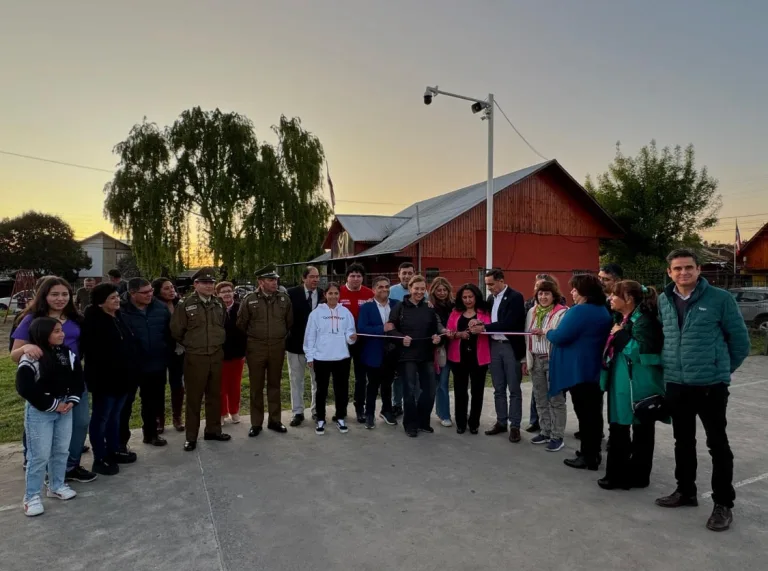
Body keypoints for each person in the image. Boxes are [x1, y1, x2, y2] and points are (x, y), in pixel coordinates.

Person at [655, 249, 750, 532]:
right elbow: (666, 336)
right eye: (677, 269)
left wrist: (720, 370)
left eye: (688, 267)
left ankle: (723, 504)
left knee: (717, 444)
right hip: (676, 383)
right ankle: (686, 491)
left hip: (711, 386)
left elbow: (740, 342)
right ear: (669, 273)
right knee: (682, 441)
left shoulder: (720, 299)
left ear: (698, 270)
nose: (683, 273)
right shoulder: (664, 299)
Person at [11, 277, 96, 484]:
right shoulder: (32, 319)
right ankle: (33, 458)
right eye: (54, 294)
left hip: (74, 379)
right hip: (45, 382)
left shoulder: (76, 318)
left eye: (64, 294)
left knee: (80, 422)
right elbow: (15, 353)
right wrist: (25, 349)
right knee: (41, 424)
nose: (60, 299)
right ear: (44, 295)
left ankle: (70, 465)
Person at [598, 280, 665, 491]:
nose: (610, 299)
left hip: (635, 383)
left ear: (628, 298)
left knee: (638, 427)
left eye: (614, 295)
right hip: (622, 379)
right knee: (624, 426)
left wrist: (619, 335)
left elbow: (646, 353)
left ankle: (631, 475)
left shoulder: (644, 321)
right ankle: (627, 473)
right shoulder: (622, 317)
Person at [16, 317, 83, 516]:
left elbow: (77, 379)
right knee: (39, 455)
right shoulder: (32, 357)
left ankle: (56, 485)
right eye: (56, 331)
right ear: (43, 334)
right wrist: (52, 405)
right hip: (41, 411)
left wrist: (72, 400)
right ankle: (31, 496)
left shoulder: (67, 353)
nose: (61, 334)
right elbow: (25, 387)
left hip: (65, 409)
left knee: (61, 450)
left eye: (61, 330)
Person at [547, 274, 613, 470]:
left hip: (580, 370)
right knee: (593, 414)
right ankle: (591, 452)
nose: (572, 292)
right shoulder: (601, 310)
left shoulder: (580, 311)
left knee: (586, 415)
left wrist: (549, 332)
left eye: (575, 289)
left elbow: (560, 336)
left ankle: (589, 456)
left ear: (584, 291)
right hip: (593, 369)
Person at [170, 268, 231, 451]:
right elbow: (176, 330)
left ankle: (213, 430)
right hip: (195, 357)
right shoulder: (185, 304)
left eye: (211, 283)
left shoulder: (218, 303)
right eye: (205, 283)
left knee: (215, 395)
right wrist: (192, 344)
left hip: (216, 355)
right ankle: (191, 436)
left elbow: (223, 324)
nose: (209, 286)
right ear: (196, 285)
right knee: (194, 399)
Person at [81, 284, 139, 475]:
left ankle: (114, 449)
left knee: (115, 416)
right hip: (105, 379)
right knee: (101, 417)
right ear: (100, 302)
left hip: (124, 377)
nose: (117, 300)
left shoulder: (118, 317)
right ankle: (100, 457)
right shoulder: (93, 322)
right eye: (112, 298)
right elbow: (94, 353)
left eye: (117, 297)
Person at [469, 270, 526, 443]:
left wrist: (484, 328)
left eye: (491, 284)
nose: (489, 288)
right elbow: (487, 319)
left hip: (510, 346)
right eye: (487, 284)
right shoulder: (491, 299)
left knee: (514, 388)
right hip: (494, 346)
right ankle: (501, 421)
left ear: (501, 281)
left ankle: (514, 425)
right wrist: (478, 323)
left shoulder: (515, 297)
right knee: (498, 387)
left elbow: (510, 323)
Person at [237, 268, 293, 437]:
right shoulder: (250, 300)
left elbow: (289, 322)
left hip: (277, 347)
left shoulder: (284, 299)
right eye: (270, 280)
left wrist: (280, 337)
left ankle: (275, 420)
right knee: (256, 386)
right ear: (260, 282)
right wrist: (255, 338)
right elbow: (241, 323)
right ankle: (256, 423)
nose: (275, 283)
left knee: (275, 385)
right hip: (256, 348)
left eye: (276, 280)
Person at [388, 275, 443, 437]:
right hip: (407, 356)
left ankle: (423, 421)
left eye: (422, 289)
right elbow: (390, 327)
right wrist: (400, 338)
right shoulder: (400, 307)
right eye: (416, 288)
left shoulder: (429, 307)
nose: (419, 292)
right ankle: (410, 424)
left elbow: (435, 328)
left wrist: (437, 337)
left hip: (425, 355)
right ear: (410, 289)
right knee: (410, 390)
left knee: (430, 390)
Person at [120, 278, 171, 448]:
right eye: (145, 292)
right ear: (132, 293)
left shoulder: (160, 308)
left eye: (151, 291)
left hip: (156, 364)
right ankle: (121, 441)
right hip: (129, 366)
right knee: (125, 405)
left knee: (152, 402)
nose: (150, 294)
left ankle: (151, 434)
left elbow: (168, 334)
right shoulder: (120, 310)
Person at [303, 282, 357, 434]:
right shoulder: (316, 314)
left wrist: (351, 338)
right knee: (321, 390)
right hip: (321, 358)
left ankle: (340, 417)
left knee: (341, 389)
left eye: (336, 293)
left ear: (339, 296)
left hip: (342, 358)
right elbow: (310, 336)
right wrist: (310, 356)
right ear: (325, 295)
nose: (333, 296)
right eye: (330, 293)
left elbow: (349, 332)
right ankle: (320, 418)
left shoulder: (346, 312)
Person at [524, 280, 568, 451]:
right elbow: (526, 336)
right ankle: (545, 431)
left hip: (552, 360)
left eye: (547, 293)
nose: (543, 297)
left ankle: (558, 436)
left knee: (556, 399)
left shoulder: (562, 313)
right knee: (540, 398)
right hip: (535, 359)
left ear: (554, 295)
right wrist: (526, 360)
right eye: (540, 293)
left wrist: (545, 332)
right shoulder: (531, 312)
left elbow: (561, 336)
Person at [445, 284, 490, 435]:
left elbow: (490, 328)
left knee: (477, 392)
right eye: (464, 297)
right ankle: (461, 423)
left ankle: (474, 423)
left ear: (476, 297)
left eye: (471, 296)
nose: (468, 300)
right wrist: (458, 334)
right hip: (459, 358)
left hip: (479, 358)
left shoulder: (484, 313)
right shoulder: (455, 313)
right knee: (460, 392)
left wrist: (480, 326)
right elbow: (449, 331)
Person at [357, 276, 399, 429]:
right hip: (373, 352)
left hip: (392, 352)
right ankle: (369, 413)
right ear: (374, 290)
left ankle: (386, 411)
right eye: (380, 287)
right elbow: (361, 329)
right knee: (372, 385)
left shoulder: (396, 305)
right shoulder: (366, 307)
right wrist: (382, 329)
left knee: (387, 384)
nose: (385, 289)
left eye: (387, 286)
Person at [285, 266, 325, 426]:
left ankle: (316, 411)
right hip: (295, 345)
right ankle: (298, 412)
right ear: (304, 278)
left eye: (317, 277)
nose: (315, 280)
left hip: (318, 347)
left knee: (318, 381)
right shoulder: (291, 294)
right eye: (312, 277)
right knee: (296, 380)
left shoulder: (324, 294)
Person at [339, 263, 374, 423]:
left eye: (358, 276)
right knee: (342, 377)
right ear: (347, 277)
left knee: (361, 378)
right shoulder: (338, 292)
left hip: (362, 342)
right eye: (352, 275)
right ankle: (341, 409)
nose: (355, 278)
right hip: (341, 343)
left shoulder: (369, 293)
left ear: (362, 278)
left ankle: (360, 408)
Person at [153, 278, 185, 432]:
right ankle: (159, 419)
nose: (171, 290)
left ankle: (177, 417)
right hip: (159, 351)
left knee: (177, 384)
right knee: (158, 385)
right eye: (166, 288)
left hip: (178, 351)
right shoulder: (153, 306)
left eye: (172, 287)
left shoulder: (180, 304)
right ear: (158, 291)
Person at [216, 281, 247, 424]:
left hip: (237, 354)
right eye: (223, 291)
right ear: (218, 295)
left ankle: (234, 411)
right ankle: (222, 413)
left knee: (235, 385)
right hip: (220, 354)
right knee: (221, 387)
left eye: (229, 290)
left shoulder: (241, 307)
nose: (227, 293)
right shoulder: (214, 309)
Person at [429, 277, 454, 427]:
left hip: (457, 348)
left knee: (461, 384)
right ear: (433, 291)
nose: (442, 293)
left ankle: (462, 412)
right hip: (441, 349)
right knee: (442, 383)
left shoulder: (455, 305)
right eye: (439, 290)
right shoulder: (431, 307)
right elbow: (437, 324)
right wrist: (444, 332)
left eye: (445, 290)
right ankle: (444, 414)